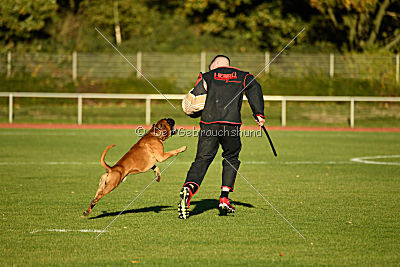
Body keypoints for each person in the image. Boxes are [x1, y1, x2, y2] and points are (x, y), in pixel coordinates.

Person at [179, 55, 265, 219]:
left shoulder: (206, 76)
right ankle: (224, 198)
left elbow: (193, 103)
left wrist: (191, 115)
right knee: (231, 157)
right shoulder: (244, 76)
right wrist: (258, 113)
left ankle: (188, 189)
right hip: (231, 125)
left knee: (202, 160)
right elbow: (254, 88)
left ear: (214, 65)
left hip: (209, 124)